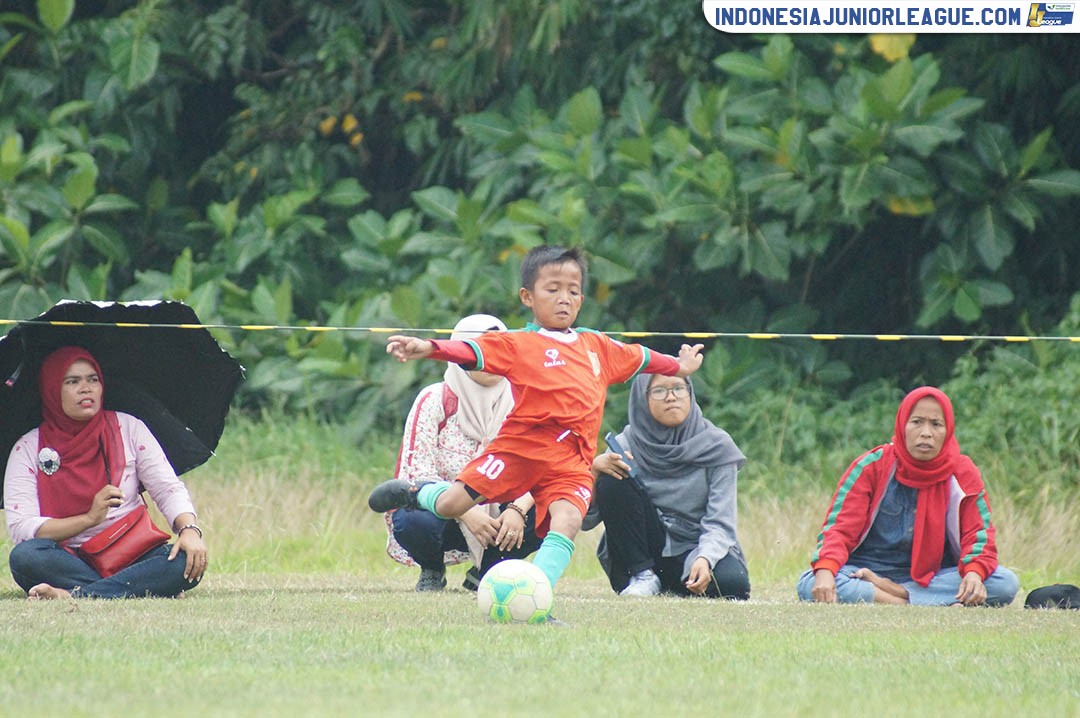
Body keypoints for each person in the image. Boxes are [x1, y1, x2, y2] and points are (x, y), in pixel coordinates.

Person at [368, 245, 704, 604]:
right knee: (451, 504)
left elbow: (640, 356)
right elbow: (472, 351)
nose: (565, 299)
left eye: (573, 291)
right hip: (519, 451)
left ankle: (532, 596)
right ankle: (416, 492)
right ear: (528, 296)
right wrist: (430, 348)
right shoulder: (519, 343)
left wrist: (677, 366)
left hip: (571, 463)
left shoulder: (597, 347)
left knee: (567, 522)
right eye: (553, 289)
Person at [4, 346, 208, 599]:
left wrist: (189, 530)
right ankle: (142, 586)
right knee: (25, 557)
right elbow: (22, 527)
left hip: (131, 553)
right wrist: (89, 519)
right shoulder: (28, 447)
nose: (86, 388)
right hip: (67, 560)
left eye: (93, 379)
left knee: (185, 559)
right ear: (52, 390)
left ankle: (75, 595)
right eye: (72, 381)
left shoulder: (129, 428)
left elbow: (167, 488)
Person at [796, 386, 1018, 606]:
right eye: (917, 422)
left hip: (934, 577)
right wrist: (825, 570)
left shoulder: (962, 471)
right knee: (809, 583)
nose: (926, 433)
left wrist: (974, 573)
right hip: (864, 571)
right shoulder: (872, 467)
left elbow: (979, 534)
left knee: (1004, 583)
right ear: (902, 426)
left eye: (936, 424)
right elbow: (838, 529)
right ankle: (907, 602)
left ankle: (896, 593)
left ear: (948, 430)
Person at [384, 313, 542, 592]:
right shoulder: (434, 399)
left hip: (500, 514)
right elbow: (417, 477)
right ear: (462, 354)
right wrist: (465, 510)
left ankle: (488, 571)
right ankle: (432, 568)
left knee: (551, 508)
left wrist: (518, 510)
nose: (491, 359)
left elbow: (540, 467)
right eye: (482, 350)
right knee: (412, 518)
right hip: (443, 515)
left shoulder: (524, 400)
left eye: (500, 349)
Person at [583, 373, 751, 599]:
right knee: (611, 476)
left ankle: (678, 584)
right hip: (640, 554)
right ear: (643, 399)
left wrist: (705, 557)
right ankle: (642, 577)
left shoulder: (718, 446)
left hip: (694, 546)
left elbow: (720, 521)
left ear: (690, 394)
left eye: (679, 389)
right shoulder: (626, 443)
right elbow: (586, 521)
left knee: (733, 584)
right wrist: (594, 472)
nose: (671, 397)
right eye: (660, 391)